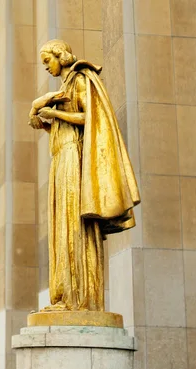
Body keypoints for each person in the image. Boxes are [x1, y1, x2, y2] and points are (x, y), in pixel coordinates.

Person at [29, 39, 140, 312]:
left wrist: (54, 113)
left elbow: (89, 117)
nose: (46, 67)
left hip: (73, 158)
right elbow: (68, 125)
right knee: (61, 226)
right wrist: (46, 121)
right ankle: (64, 296)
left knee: (72, 224)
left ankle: (78, 299)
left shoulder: (80, 78)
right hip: (61, 158)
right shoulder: (64, 86)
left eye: (48, 61)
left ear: (61, 56)